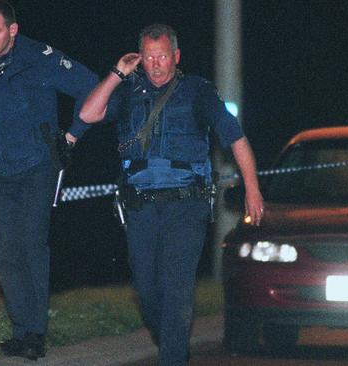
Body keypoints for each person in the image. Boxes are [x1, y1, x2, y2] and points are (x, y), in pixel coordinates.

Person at [79, 23, 264, 365]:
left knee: (177, 291)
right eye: (148, 57)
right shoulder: (128, 90)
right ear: (140, 59)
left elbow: (235, 138)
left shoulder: (198, 91)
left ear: (176, 56)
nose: (156, 64)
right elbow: (88, 113)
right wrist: (117, 73)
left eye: (162, 56)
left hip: (186, 205)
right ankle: (170, 343)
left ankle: (172, 357)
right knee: (148, 292)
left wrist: (253, 189)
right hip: (140, 208)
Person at [0, 0, 98, 360]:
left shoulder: (41, 57)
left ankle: (35, 333)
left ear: (13, 29)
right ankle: (20, 331)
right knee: (6, 254)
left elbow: (92, 88)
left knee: (31, 246)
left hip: (37, 166)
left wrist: (72, 135)